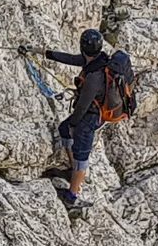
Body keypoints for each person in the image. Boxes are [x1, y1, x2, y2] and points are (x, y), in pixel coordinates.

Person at [19, 29, 109, 209]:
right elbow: (69, 58)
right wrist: (39, 51)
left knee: (81, 157)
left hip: (90, 118)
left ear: (83, 47)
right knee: (63, 129)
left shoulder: (94, 77)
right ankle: (71, 169)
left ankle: (71, 197)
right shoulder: (96, 60)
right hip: (89, 113)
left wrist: (74, 124)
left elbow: (82, 106)